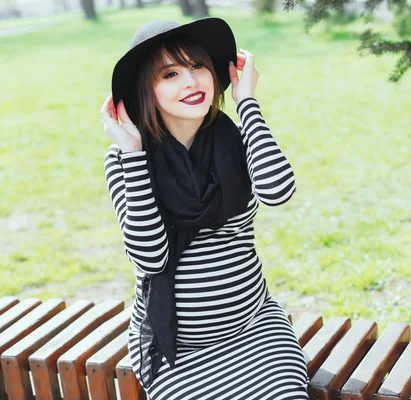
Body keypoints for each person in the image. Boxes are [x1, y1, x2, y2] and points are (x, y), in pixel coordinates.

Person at [100, 18, 309, 399]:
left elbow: (278, 191)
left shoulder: (237, 137)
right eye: (171, 73)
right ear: (146, 90)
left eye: (197, 66)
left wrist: (247, 103)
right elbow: (149, 258)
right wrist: (133, 155)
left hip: (255, 330)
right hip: (179, 354)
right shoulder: (123, 158)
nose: (191, 82)